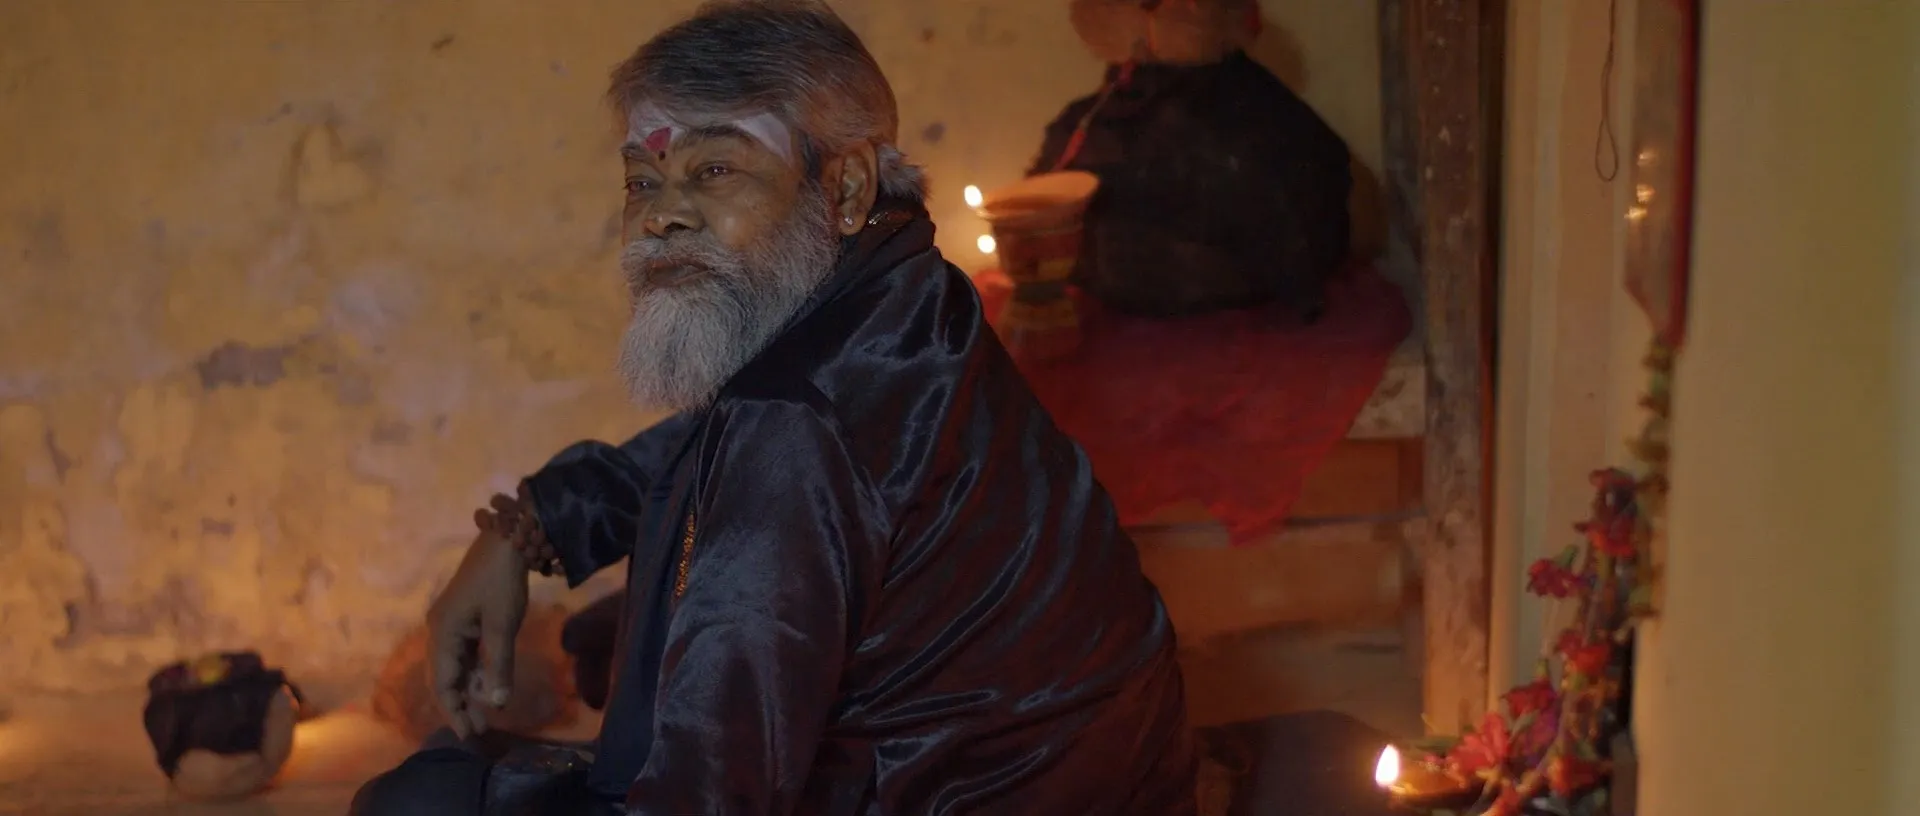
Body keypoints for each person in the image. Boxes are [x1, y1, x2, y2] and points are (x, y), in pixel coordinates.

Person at [352, 1, 1195, 813]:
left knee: (418, 798)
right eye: (641, 178)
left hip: (948, 789)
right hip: (1101, 774)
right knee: (608, 655)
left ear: (847, 186)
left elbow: (709, 790)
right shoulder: (901, 292)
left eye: (715, 170)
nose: (660, 216)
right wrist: (532, 523)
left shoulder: (795, 420)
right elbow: (714, 451)